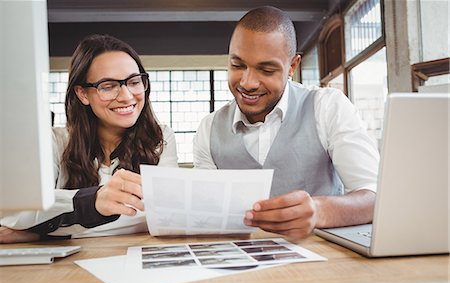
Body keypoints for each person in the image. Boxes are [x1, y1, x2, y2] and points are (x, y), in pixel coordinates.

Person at [193, 6, 379, 240]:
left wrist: (320, 211)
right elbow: (203, 209)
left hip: (323, 264)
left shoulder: (327, 107)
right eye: (237, 65)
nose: (248, 83)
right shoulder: (208, 129)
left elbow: (375, 196)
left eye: (266, 69)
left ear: (292, 66)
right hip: (238, 265)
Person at [0, 34, 178, 243]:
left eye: (134, 82)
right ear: (83, 93)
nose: (127, 96)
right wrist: (93, 202)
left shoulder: (160, 138)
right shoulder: (54, 142)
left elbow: (164, 216)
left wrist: (42, 232)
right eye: (108, 86)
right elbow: (15, 211)